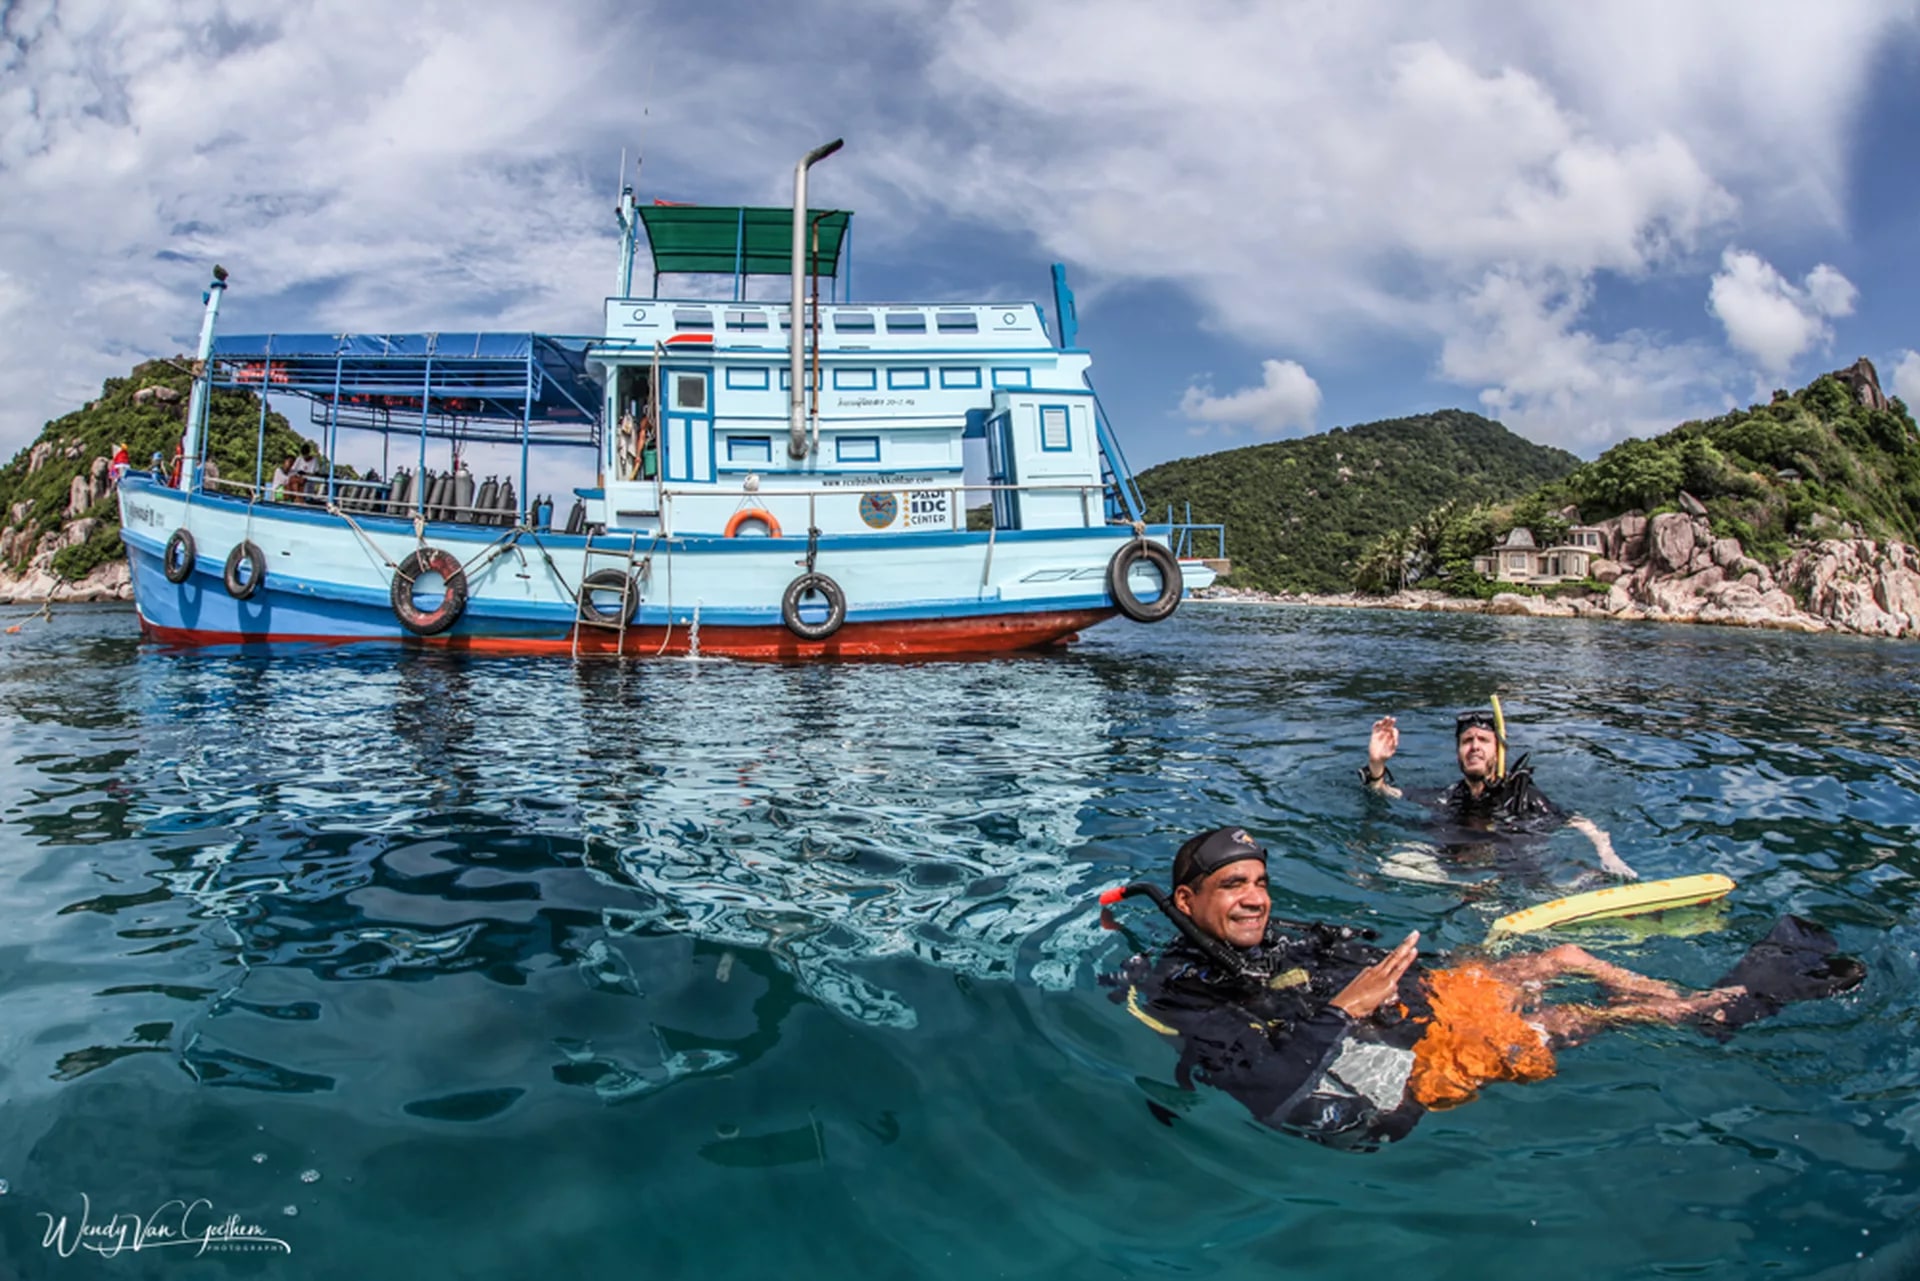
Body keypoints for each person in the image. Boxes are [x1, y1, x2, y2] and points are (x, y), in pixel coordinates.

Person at [1108, 826, 1861, 1150]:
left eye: (1261, 883)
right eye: (1233, 885)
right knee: (1566, 1017)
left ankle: (1671, 996)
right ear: (1185, 902)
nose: (1256, 898)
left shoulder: (1276, 936)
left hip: (1403, 1004)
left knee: (1559, 954)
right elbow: (1268, 1087)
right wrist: (1346, 1007)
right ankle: (1706, 1011)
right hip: (1385, 1059)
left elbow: (1348, 953)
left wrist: (1385, 960)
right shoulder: (1179, 988)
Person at [1364, 708, 1637, 879]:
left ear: (1499, 751)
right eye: (1466, 741)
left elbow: (1578, 821)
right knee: (1384, 866)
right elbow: (1384, 792)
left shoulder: (1521, 795)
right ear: (1458, 751)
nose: (1474, 747)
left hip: (1513, 875)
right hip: (1461, 869)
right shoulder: (1450, 796)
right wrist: (1377, 763)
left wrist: (1607, 854)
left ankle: (1589, 879)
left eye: (1483, 740)